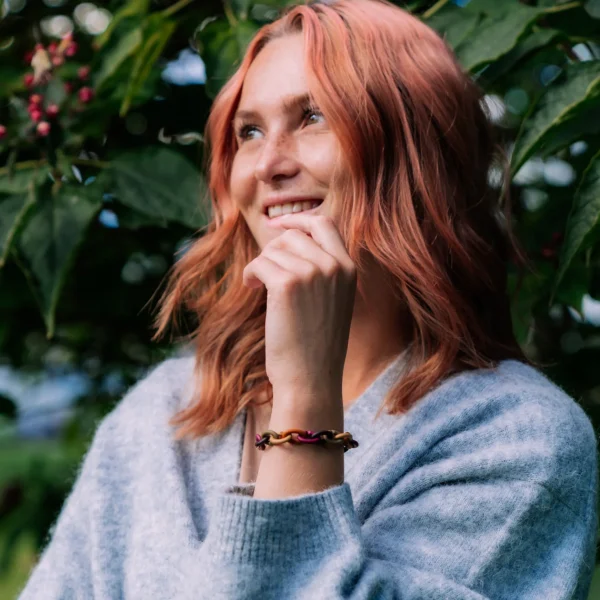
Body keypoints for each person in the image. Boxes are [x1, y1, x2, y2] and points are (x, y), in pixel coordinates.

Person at [18, 0, 597, 598]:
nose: (268, 164)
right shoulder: (161, 417)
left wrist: (304, 398)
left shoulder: (518, 441)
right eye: (249, 131)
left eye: (314, 116)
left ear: (417, 153)